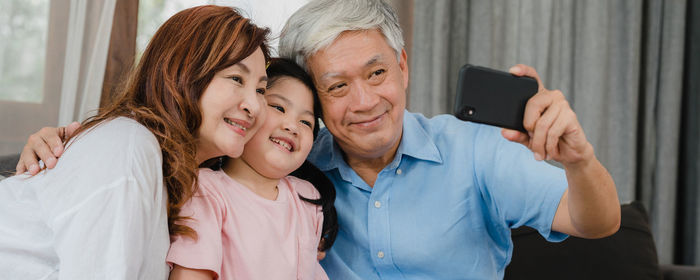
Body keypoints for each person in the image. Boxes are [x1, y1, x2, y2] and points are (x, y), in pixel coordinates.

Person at [17, 0, 622, 279]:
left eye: (378, 74)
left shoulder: (475, 149)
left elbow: (597, 222)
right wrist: (78, 135)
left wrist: (580, 160)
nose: (363, 102)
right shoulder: (294, 162)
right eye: (335, 87)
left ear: (404, 68)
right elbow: (170, 145)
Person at [1, 5, 271, 279]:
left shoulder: (187, 186)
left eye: (261, 90)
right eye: (236, 78)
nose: (254, 106)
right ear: (183, 73)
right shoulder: (128, 148)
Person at [166, 58, 338, 280]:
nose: (292, 126)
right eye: (279, 107)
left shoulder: (307, 198)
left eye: (306, 122)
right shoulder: (206, 191)